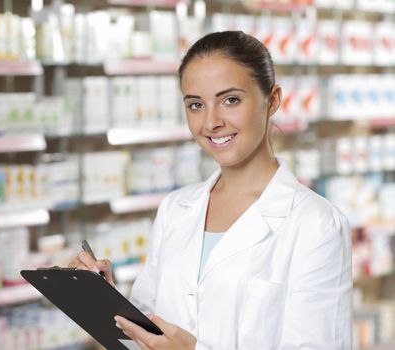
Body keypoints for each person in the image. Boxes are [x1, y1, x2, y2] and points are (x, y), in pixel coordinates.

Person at [68, 31, 352, 350]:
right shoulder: (175, 209)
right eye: (195, 105)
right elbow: (144, 339)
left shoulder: (317, 225)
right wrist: (106, 304)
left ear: (272, 100)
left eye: (230, 100)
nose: (211, 122)